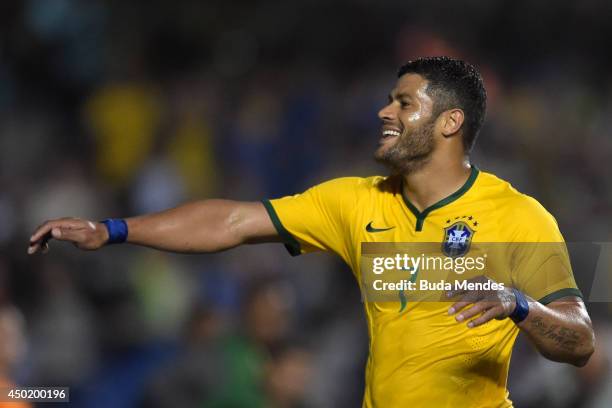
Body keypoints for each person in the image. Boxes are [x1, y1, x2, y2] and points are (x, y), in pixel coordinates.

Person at [28, 57, 594, 407]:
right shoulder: (353, 201)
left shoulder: (522, 216)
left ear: (450, 122)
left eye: (403, 102)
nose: (383, 112)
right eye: (386, 98)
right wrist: (113, 229)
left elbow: (579, 340)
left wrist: (518, 304)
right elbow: (231, 221)